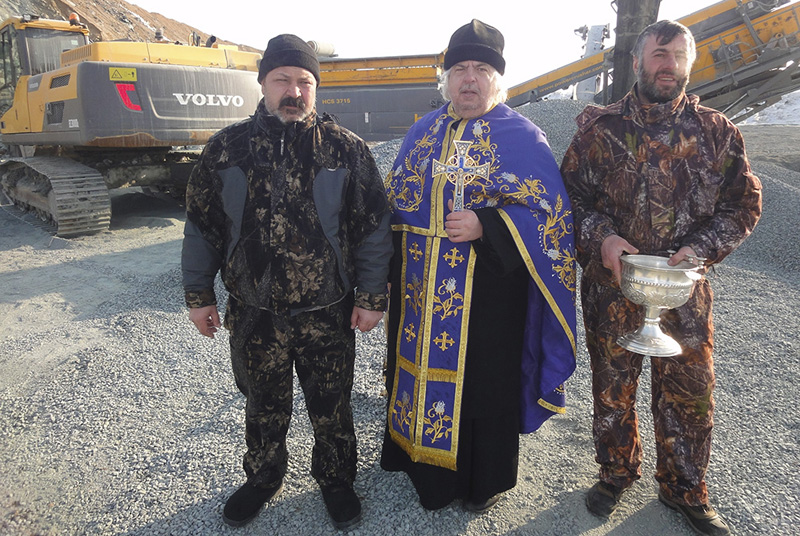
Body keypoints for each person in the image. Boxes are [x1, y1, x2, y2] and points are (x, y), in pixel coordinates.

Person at [181, 33, 392, 530]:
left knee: (332, 403)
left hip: (327, 311)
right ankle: (263, 477)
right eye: (282, 80)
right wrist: (198, 295)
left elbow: (373, 229)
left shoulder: (346, 150)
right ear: (263, 83)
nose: (294, 91)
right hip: (254, 313)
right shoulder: (226, 149)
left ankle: (336, 479)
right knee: (262, 402)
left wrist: (371, 297)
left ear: (316, 88)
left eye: (304, 82)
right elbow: (203, 226)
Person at [560, 20, 762, 536]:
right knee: (612, 388)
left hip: (683, 290)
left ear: (689, 65)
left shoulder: (717, 132)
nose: (668, 65)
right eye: (658, 55)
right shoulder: (599, 130)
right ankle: (616, 473)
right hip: (613, 287)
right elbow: (567, 200)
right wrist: (603, 238)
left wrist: (701, 248)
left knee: (690, 392)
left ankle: (684, 488)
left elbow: (743, 205)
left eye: (677, 57)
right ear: (638, 62)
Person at [381, 19, 577, 513]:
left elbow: (551, 217)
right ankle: (422, 469)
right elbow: (393, 207)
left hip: (489, 295)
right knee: (416, 373)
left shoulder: (523, 136)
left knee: (483, 385)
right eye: (460, 69)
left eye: (482, 69)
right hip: (421, 292)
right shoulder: (422, 133)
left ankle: (481, 481)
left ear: (497, 79)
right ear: (446, 78)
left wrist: (487, 224)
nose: (470, 78)